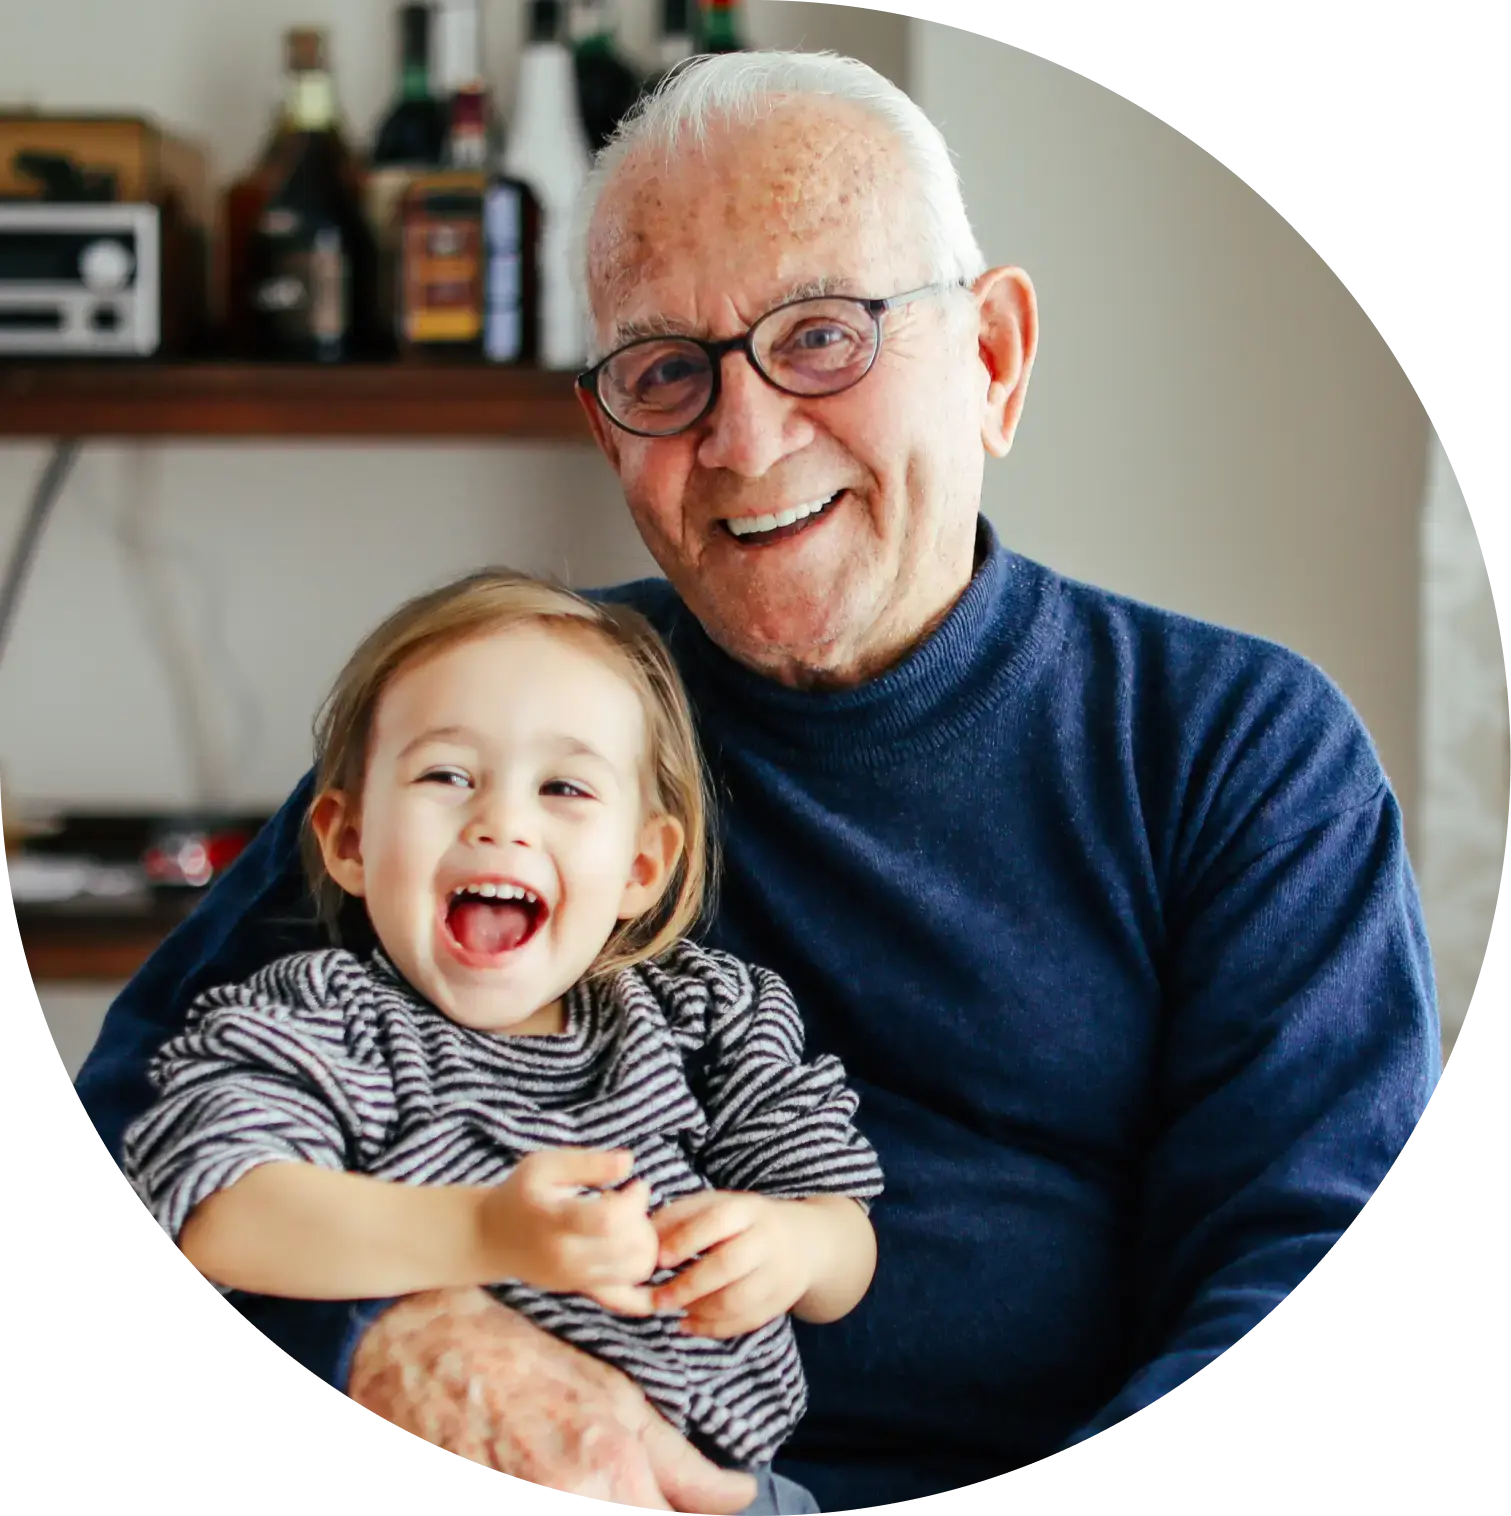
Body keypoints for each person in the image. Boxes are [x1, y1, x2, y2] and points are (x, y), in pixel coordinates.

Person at [73, 49, 1439, 1514]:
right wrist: (387, 1332)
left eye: (823, 334)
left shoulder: (1235, 749)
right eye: (665, 371)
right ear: (609, 433)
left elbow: (1302, 1274)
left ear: (990, 359)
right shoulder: (520, 733)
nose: (743, 438)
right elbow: (138, 1129)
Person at [117, 570, 884, 1516]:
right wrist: (485, 1234)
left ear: (643, 865)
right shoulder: (320, 1017)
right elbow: (217, 1214)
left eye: (563, 786)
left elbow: (843, 1247)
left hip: (729, 1491)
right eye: (447, 776)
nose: (502, 822)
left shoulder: (709, 1017)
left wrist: (793, 1245)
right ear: (347, 838)